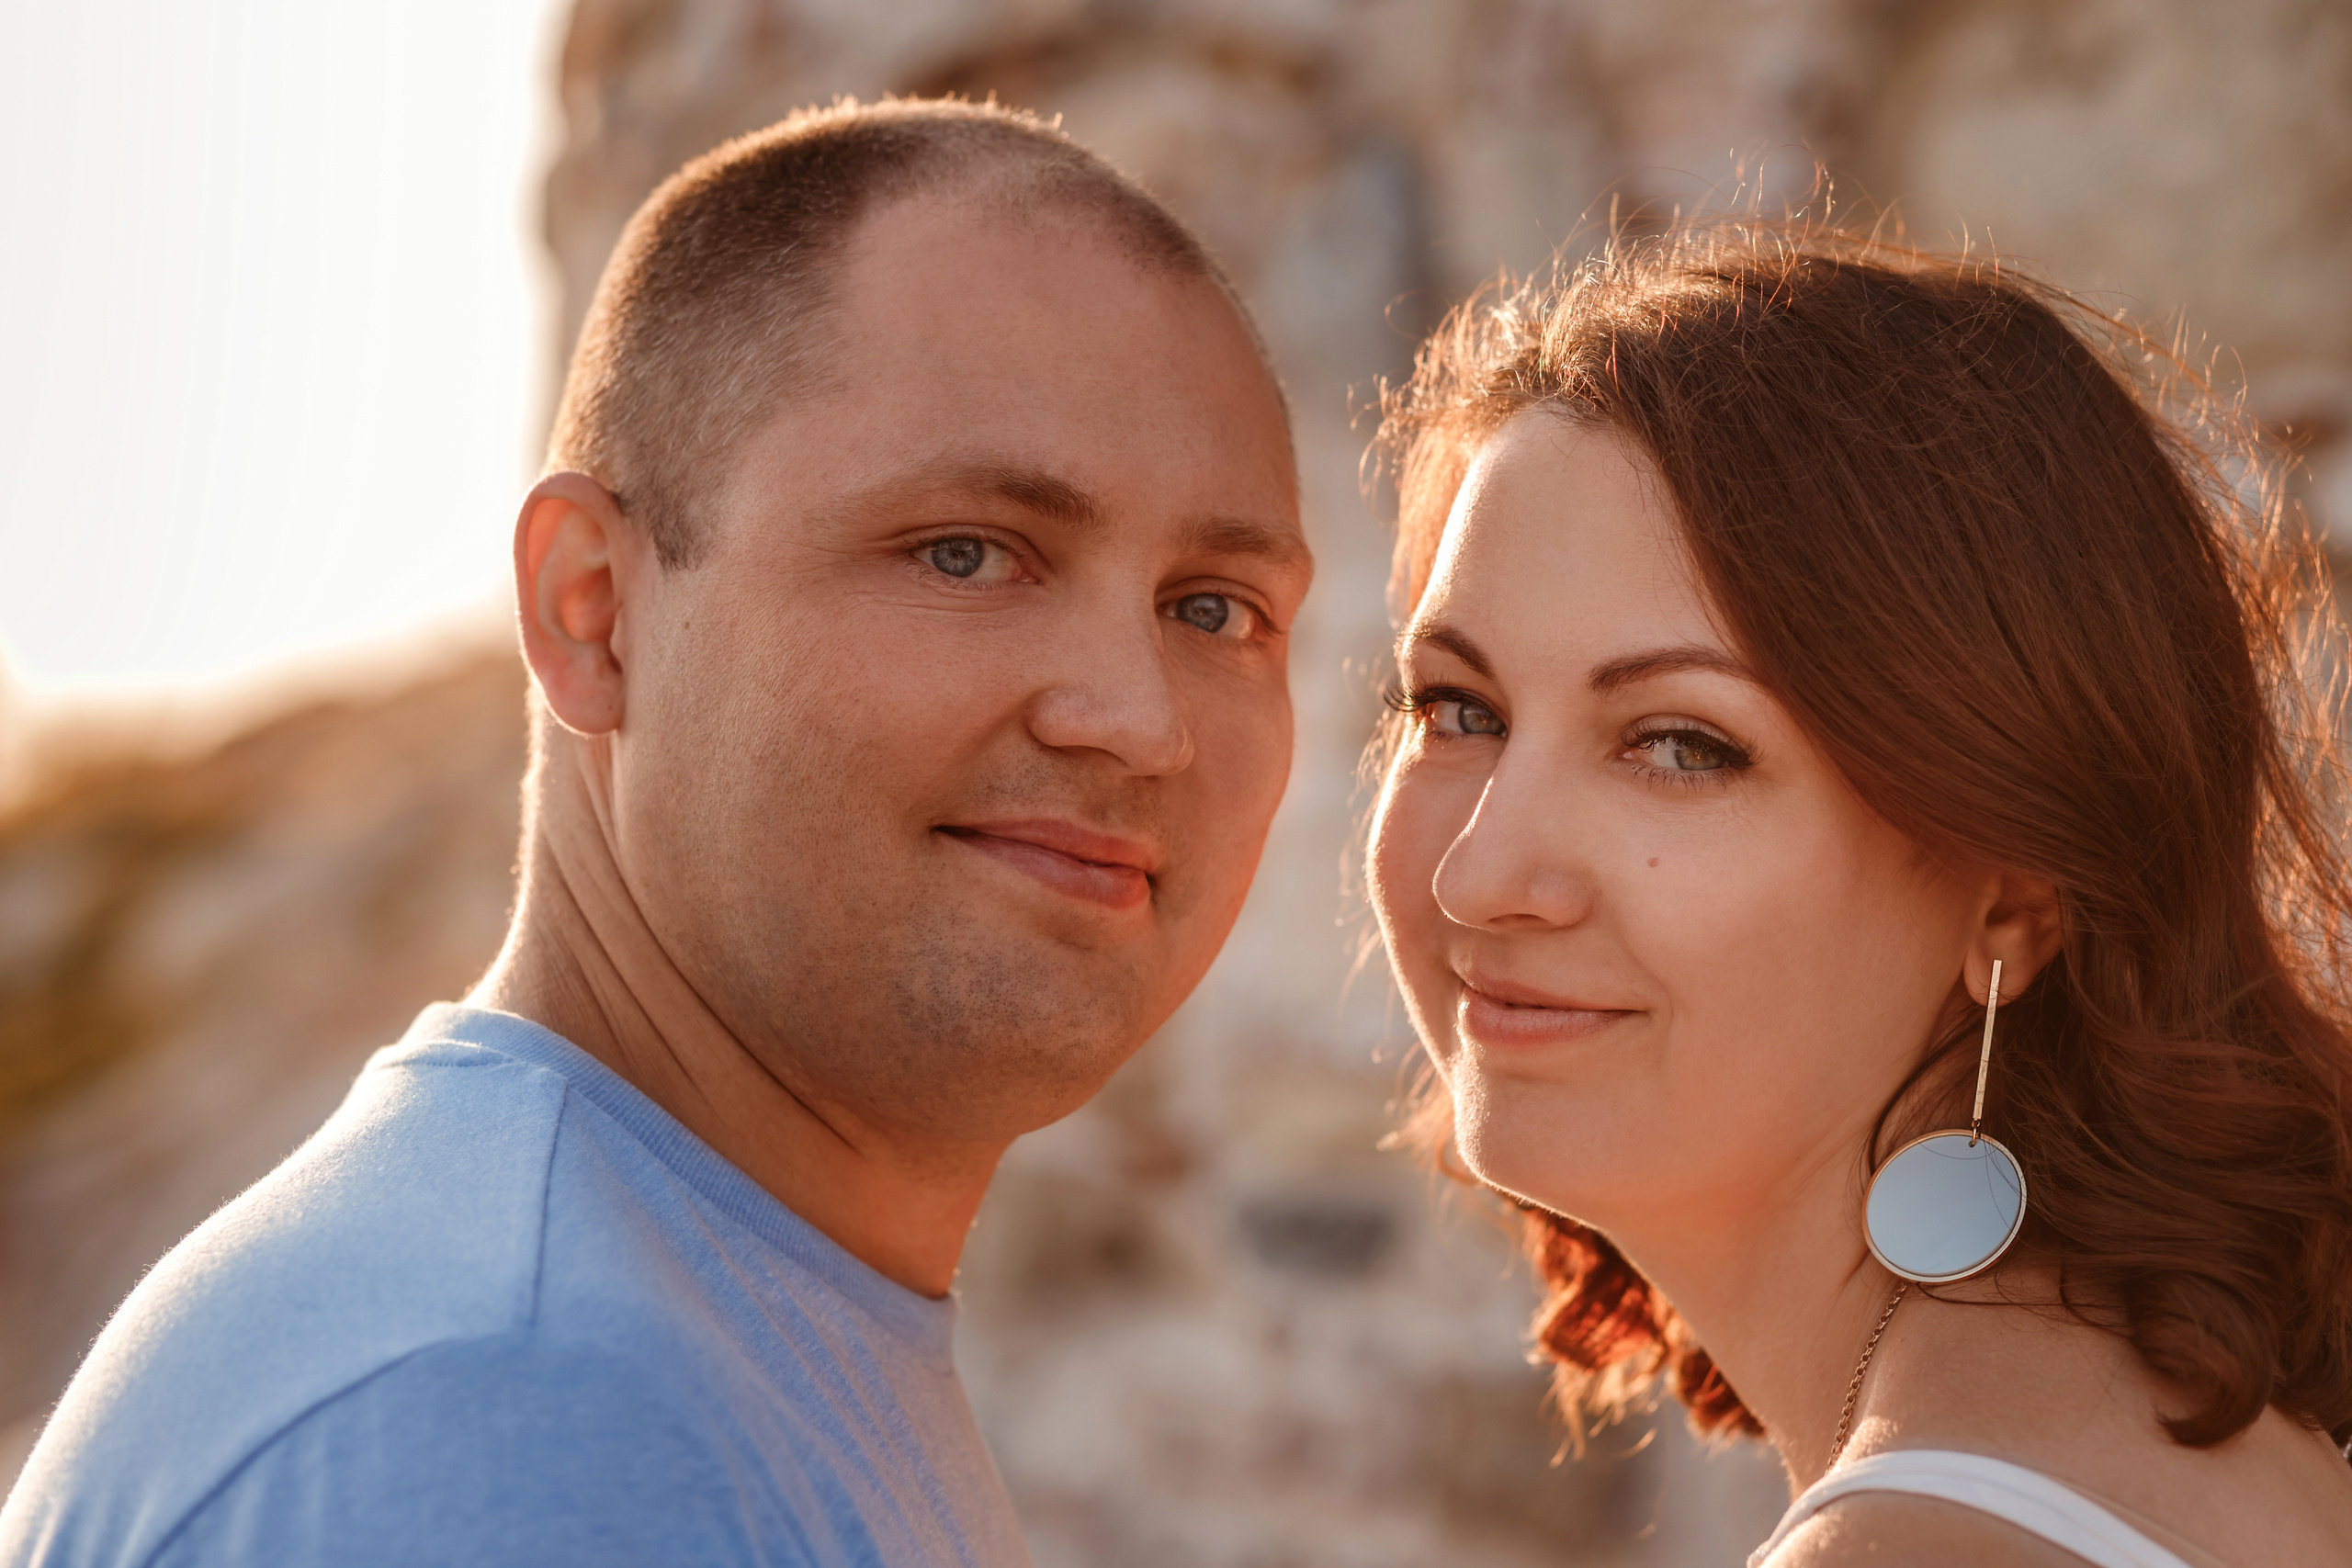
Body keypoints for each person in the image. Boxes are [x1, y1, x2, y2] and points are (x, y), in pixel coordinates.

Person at [0, 97, 1309, 1566]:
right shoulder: (509, 1416)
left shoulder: (691, 1334)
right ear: (594, 611)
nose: (1138, 719)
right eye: (967, 553)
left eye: (1215, 610)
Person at [1366, 222, 2352, 1567]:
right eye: (1458, 708)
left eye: (1681, 746)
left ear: (2012, 898)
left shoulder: (1925, 1540)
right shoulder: (2184, 1445)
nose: (1478, 875)